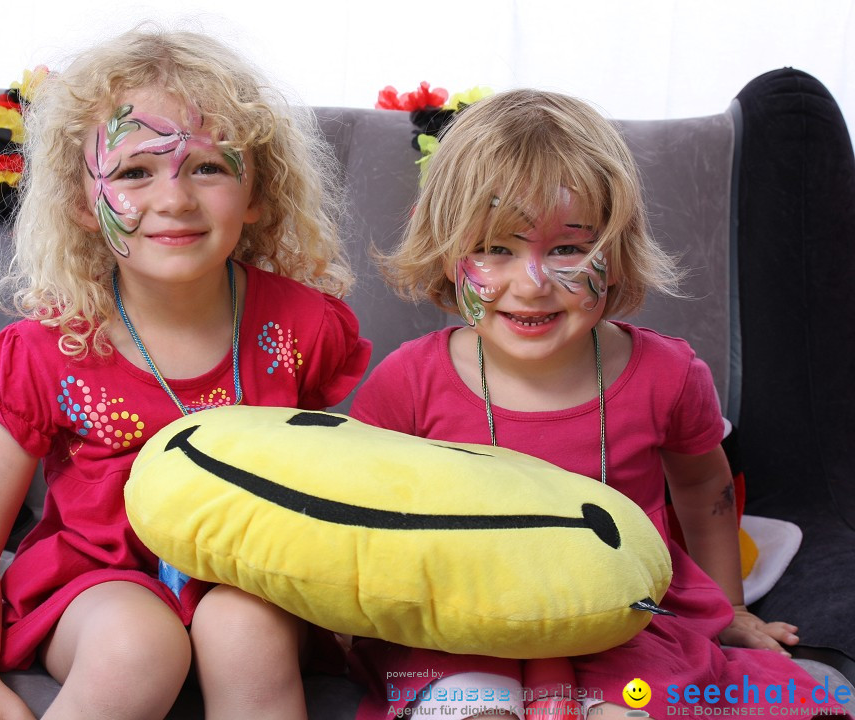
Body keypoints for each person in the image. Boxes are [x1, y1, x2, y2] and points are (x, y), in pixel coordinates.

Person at [347, 89, 847, 720]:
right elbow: (355, 513)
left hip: (626, 618)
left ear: (616, 249)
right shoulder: (410, 380)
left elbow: (703, 489)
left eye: (567, 248)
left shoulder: (668, 374)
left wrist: (731, 609)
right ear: (447, 251)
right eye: (496, 249)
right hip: (459, 617)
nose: (531, 284)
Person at [0, 26, 371, 720]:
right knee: (141, 644)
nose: (175, 199)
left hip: (251, 585)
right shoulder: (51, 349)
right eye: (135, 171)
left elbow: (346, 496)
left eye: (208, 168)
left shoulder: (305, 330)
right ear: (83, 202)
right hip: (100, 591)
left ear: (257, 190)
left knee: (244, 628)